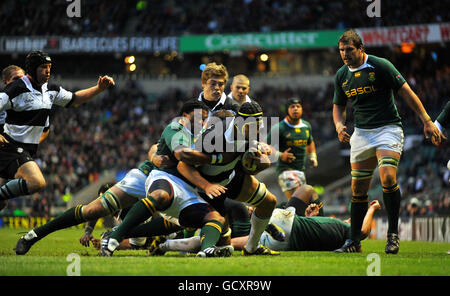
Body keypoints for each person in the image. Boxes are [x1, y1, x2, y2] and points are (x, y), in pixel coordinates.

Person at [332, 30, 444, 254]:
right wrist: (338, 125)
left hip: (388, 129)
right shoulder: (342, 74)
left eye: (349, 49)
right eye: (342, 50)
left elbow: (406, 92)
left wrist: (427, 121)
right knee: (358, 189)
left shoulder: (380, 65)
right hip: (362, 133)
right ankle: (354, 241)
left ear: (360, 48)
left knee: (388, 177)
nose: (345, 54)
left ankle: (393, 235)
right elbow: (338, 106)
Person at [100, 99, 234, 258]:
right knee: (161, 197)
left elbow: (257, 155)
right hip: (168, 178)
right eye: (203, 119)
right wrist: (154, 155)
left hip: (190, 192)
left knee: (215, 218)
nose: (204, 122)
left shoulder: (231, 144)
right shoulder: (190, 133)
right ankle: (116, 237)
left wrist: (259, 151)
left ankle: (206, 250)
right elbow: (178, 160)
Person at [0, 50, 115, 211]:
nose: (48, 71)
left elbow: (75, 99)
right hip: (9, 148)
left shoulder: (51, 90)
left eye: (49, 67)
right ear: (32, 68)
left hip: (25, 150)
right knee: (37, 182)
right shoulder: (16, 88)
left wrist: (98, 89)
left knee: (2, 203)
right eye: (43, 67)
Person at [15, 144, 179, 255]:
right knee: (92, 210)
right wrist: (89, 231)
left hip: (175, 188)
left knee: (183, 221)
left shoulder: (200, 142)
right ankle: (33, 235)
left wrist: (112, 237)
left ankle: (167, 243)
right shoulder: (178, 130)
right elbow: (155, 149)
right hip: (148, 177)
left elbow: (137, 244)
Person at [177, 101, 280, 256]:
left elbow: (255, 166)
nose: (256, 130)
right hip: (207, 187)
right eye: (252, 126)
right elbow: (183, 166)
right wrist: (206, 185)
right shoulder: (214, 135)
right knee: (223, 242)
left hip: (230, 177)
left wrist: (260, 163)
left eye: (258, 125)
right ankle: (166, 244)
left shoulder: (252, 131)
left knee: (269, 202)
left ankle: (252, 248)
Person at [150, 185, 381, 253]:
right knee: (226, 242)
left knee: (235, 207)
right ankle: (167, 245)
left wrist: (372, 209)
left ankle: (188, 207)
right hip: (283, 240)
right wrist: (314, 216)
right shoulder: (332, 230)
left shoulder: (343, 230)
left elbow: (362, 232)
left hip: (284, 222)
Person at [267, 97, 318, 200]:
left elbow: (310, 142)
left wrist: (313, 156)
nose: (295, 109)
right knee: (299, 201)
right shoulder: (279, 128)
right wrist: (280, 155)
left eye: (298, 106)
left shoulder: (306, 126)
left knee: (306, 204)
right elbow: (266, 147)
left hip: (301, 171)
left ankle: (282, 214)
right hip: (286, 171)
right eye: (292, 107)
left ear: (302, 109)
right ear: (287, 110)